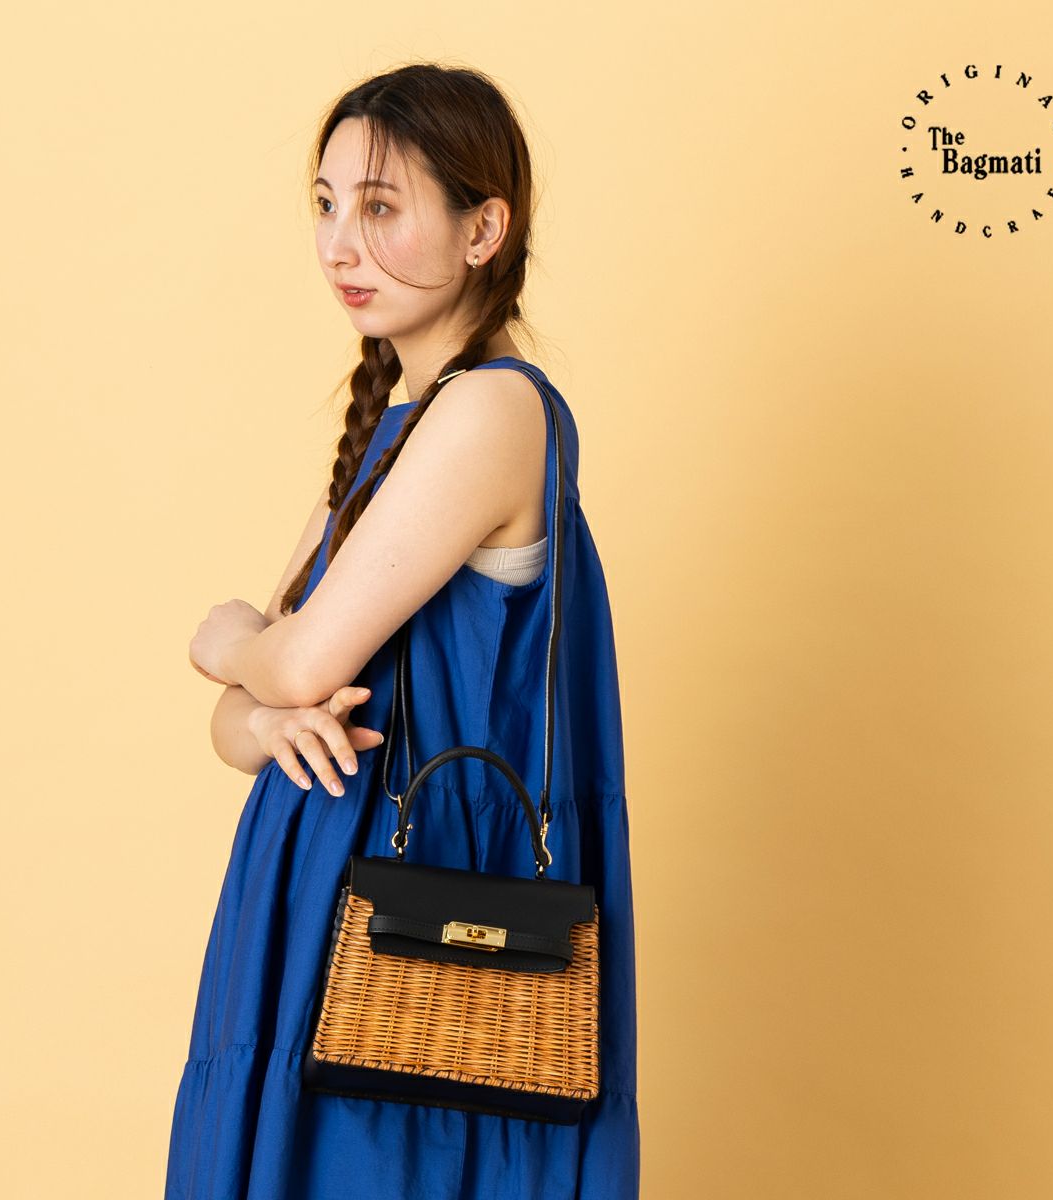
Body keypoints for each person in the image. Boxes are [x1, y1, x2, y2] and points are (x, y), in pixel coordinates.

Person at [166, 62, 640, 1199]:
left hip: (417, 914)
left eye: (380, 207)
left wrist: (222, 640)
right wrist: (262, 714)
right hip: (318, 901)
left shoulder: (494, 409)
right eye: (326, 204)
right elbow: (250, 721)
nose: (340, 245)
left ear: (484, 229)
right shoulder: (399, 423)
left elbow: (295, 658)